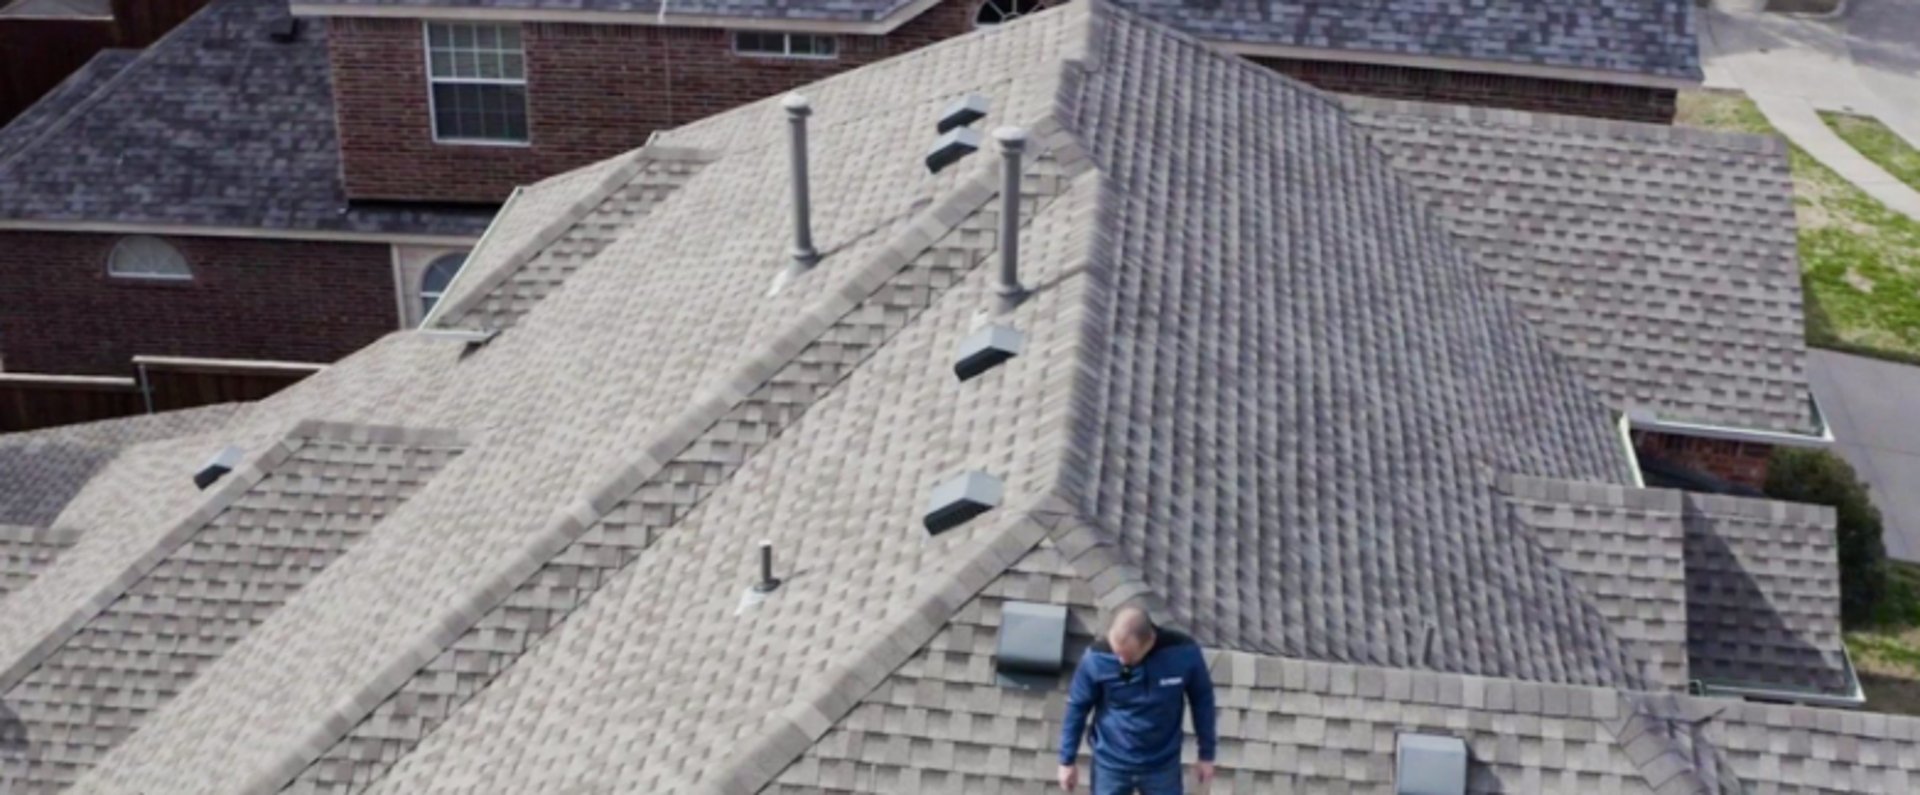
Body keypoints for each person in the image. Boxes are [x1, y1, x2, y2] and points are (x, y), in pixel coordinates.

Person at [1057, 606, 1217, 794]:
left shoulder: (1183, 652)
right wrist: (1066, 761)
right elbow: (1077, 707)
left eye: (1128, 656)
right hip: (1111, 764)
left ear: (1149, 642)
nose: (1122, 662)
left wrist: (1206, 754)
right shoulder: (1096, 658)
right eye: (1118, 654)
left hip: (1162, 765)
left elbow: (1203, 701)